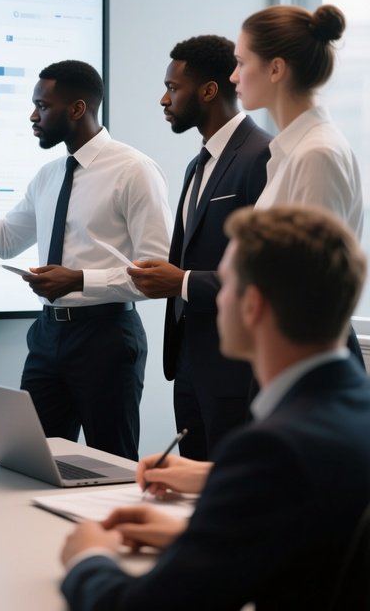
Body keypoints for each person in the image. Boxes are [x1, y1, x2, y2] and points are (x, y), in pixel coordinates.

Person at [60, 205, 370, 611]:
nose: (216, 298)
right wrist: (197, 530)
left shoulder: (271, 448)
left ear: (251, 305)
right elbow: (317, 530)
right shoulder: (350, 413)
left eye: (224, 283)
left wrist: (88, 557)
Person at [0, 60, 172, 460]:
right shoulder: (49, 175)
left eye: (42, 106)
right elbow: (6, 240)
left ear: (77, 109)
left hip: (106, 337)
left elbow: (158, 273)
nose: (33, 116)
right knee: (30, 459)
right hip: (48, 335)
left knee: (112, 464)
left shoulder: (134, 170)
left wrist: (79, 280)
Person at [127, 35, 271, 460]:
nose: (163, 99)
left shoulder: (262, 156)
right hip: (189, 365)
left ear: (209, 90)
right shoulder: (197, 163)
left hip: (235, 367)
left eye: (173, 88)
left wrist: (183, 282)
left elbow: (264, 273)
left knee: (231, 499)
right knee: (191, 496)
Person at [231, 2, 365, 365]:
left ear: (275, 69)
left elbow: (313, 287)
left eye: (241, 63)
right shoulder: (294, 151)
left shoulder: (316, 154)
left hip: (307, 358)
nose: (233, 76)